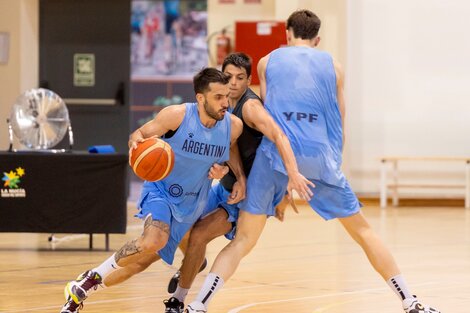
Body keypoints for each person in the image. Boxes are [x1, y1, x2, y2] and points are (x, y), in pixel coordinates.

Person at [186, 10, 441, 313]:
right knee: (363, 232)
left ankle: (199, 305)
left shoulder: (268, 61)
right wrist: (331, 166)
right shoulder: (335, 66)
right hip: (320, 156)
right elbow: (340, 121)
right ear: (317, 39)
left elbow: (272, 115)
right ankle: (410, 301)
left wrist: (281, 185)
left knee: (242, 240)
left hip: (276, 158)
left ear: (287, 35)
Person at [59, 67, 246, 313]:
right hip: (162, 191)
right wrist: (135, 145)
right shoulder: (176, 116)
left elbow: (228, 149)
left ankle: (82, 295)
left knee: (142, 264)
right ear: (200, 98)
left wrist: (233, 174)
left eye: (226, 96)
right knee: (154, 239)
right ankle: (92, 277)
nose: (225, 103)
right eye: (218, 97)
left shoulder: (232, 126)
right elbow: (140, 134)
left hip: (192, 202)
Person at [162, 52, 313, 313]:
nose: (233, 83)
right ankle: (195, 263)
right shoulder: (221, 103)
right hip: (228, 183)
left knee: (202, 235)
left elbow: (279, 135)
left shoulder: (250, 107)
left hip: (248, 193)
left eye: (240, 78)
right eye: (229, 76)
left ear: (248, 80)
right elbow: (228, 144)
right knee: (183, 224)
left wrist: (291, 176)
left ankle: (181, 300)